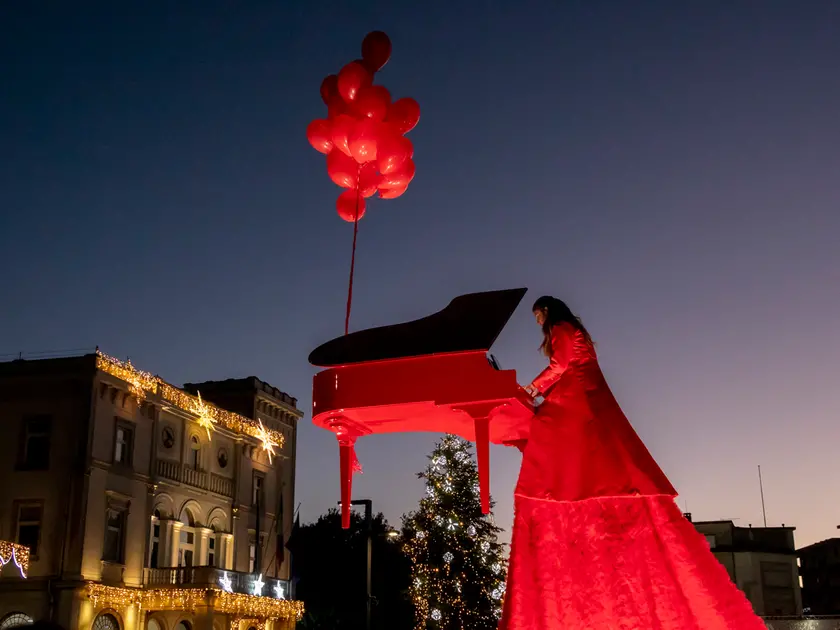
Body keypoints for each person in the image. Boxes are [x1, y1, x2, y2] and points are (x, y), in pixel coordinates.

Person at [500, 296, 766, 630]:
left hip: (577, 395)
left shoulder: (561, 327)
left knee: (547, 434)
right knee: (568, 450)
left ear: (547, 310)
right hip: (581, 394)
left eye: (538, 314)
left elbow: (562, 364)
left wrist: (531, 389)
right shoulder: (569, 326)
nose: (537, 321)